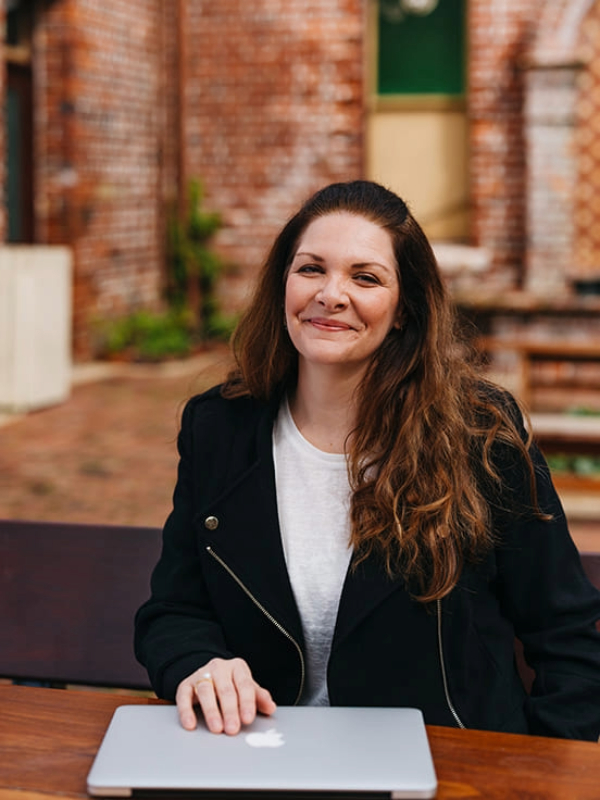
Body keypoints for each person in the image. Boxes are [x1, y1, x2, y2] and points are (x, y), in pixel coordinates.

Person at [134, 180, 600, 741]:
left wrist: (539, 774)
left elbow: (568, 635)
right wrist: (198, 663)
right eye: (310, 269)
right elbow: (174, 611)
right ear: (283, 284)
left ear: (404, 310)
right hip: (260, 755)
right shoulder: (219, 428)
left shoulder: (480, 434)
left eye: (365, 277)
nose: (331, 294)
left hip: (445, 766)